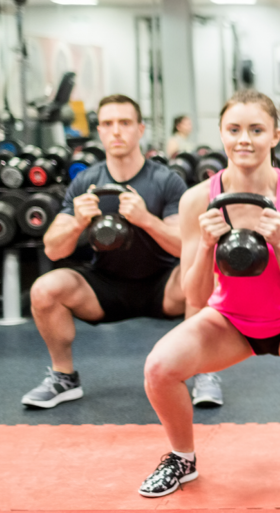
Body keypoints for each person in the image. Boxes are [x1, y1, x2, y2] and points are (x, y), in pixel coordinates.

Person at [139, 90, 280, 501]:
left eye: (256, 129)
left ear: (276, 135)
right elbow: (196, 295)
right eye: (234, 129)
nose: (245, 139)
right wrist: (205, 247)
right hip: (230, 321)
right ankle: (182, 457)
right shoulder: (196, 201)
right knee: (158, 367)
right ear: (221, 135)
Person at [23, 95, 221, 410]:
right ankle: (64, 378)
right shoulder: (86, 182)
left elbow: (189, 246)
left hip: (163, 286)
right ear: (99, 131)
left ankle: (203, 372)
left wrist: (147, 221)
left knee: (202, 269)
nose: (116, 131)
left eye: (125, 123)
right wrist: (76, 224)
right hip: (105, 287)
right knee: (45, 289)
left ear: (140, 129)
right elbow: (53, 248)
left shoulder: (166, 181)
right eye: (108, 124)